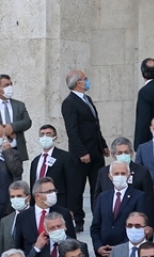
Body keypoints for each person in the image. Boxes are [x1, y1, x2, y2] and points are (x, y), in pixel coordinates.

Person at [61, 69, 109, 232]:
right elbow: (72, 130)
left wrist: (103, 144)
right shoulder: (69, 103)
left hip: (95, 151)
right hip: (80, 154)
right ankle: (78, 220)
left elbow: (95, 126)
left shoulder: (87, 99)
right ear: (78, 83)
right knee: (77, 188)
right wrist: (82, 152)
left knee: (98, 186)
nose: (87, 81)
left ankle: (99, 218)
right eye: (85, 79)